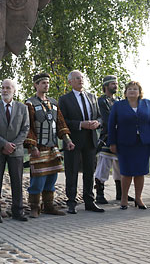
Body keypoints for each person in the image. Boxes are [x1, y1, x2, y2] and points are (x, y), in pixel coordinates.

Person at [24, 73, 75, 218]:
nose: (46, 85)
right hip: (39, 148)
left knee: (52, 177)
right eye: (43, 83)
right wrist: (32, 147)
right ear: (36, 85)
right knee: (37, 179)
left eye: (47, 82)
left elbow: (60, 123)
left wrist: (68, 140)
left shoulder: (53, 103)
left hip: (53, 146)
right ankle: (34, 207)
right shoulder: (30, 103)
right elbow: (29, 127)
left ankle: (49, 205)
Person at [58, 70, 104, 214]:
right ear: (70, 82)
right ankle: (71, 202)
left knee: (89, 171)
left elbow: (100, 117)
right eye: (77, 78)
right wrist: (80, 124)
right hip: (73, 140)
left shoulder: (92, 97)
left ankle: (89, 201)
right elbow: (62, 121)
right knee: (71, 172)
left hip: (90, 140)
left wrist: (97, 122)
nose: (80, 80)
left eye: (82, 77)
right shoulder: (65, 99)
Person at [0, 79, 29, 223]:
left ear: (14, 90)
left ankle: (18, 211)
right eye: (3, 87)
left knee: (17, 182)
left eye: (8, 88)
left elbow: (25, 129)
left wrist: (13, 145)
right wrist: (4, 144)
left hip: (16, 152)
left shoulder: (23, 108)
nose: (5, 90)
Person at [108, 81, 150, 210]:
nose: (132, 91)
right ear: (125, 92)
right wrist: (112, 142)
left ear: (139, 92)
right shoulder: (118, 105)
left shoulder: (147, 104)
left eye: (135, 89)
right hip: (125, 144)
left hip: (143, 144)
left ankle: (139, 198)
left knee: (140, 172)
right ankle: (124, 199)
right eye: (130, 89)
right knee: (126, 172)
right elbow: (111, 125)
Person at [95, 75, 134, 203]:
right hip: (107, 136)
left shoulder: (119, 100)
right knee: (104, 166)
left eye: (116, 84)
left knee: (120, 166)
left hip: (121, 137)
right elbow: (107, 120)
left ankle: (120, 193)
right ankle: (100, 195)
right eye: (112, 84)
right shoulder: (101, 101)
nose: (115, 86)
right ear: (105, 86)